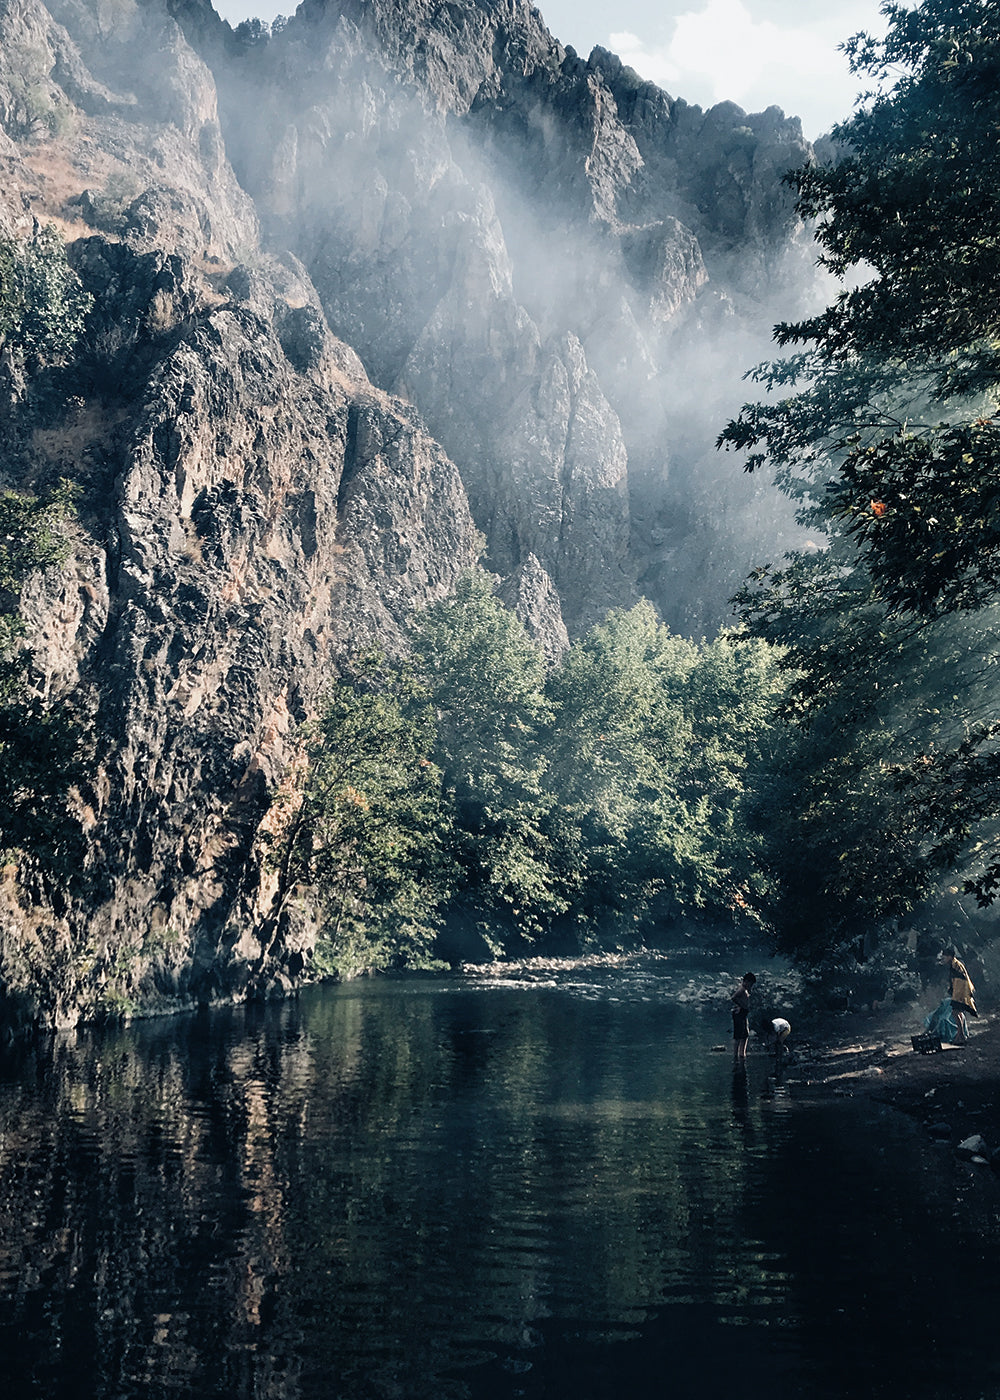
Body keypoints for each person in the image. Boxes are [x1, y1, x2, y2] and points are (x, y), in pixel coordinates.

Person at [940, 947, 977, 1045]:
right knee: (958, 1013)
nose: (944, 958)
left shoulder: (956, 966)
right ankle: (961, 1036)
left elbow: (960, 982)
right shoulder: (954, 964)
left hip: (961, 992)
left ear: (950, 956)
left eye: (945, 956)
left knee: (955, 1013)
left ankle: (960, 1035)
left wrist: (956, 994)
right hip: (960, 992)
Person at [730, 972, 756, 1059]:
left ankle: (742, 1053)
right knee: (738, 1034)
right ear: (747, 982)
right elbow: (734, 997)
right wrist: (741, 1006)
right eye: (751, 984)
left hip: (743, 1013)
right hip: (739, 1014)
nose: (751, 986)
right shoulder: (741, 989)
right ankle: (736, 1054)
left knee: (745, 1033)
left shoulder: (744, 989)